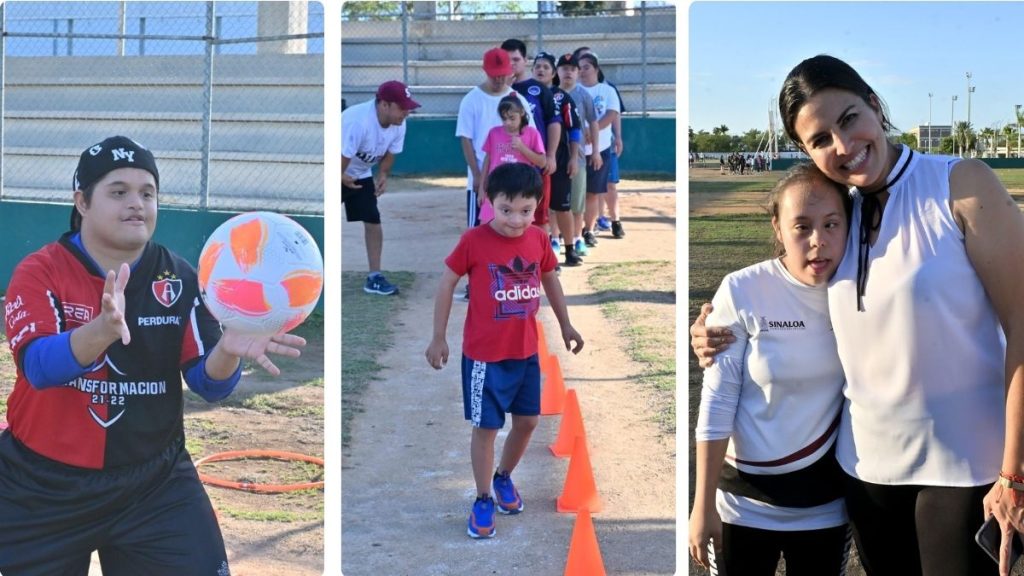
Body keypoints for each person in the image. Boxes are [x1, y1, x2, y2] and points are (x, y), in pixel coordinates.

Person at [691, 54, 1024, 576]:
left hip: (966, 469)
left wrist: (1014, 472)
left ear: (874, 104)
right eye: (819, 139)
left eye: (848, 119)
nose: (843, 146)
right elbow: (777, 291)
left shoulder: (961, 184)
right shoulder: (837, 214)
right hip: (865, 474)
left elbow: (1023, 322)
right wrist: (712, 328)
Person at [0, 136, 306, 575]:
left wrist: (229, 348)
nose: (136, 203)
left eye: (148, 192)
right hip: (40, 487)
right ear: (82, 202)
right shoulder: (41, 270)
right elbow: (39, 367)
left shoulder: (178, 276)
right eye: (118, 191)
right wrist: (100, 332)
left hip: (152, 486)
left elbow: (209, 384)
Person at [425, 162, 584, 539]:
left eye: (526, 211)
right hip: (485, 358)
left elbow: (549, 278)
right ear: (488, 202)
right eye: (506, 210)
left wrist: (565, 323)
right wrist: (438, 336)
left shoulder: (539, 240)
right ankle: (482, 498)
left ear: (538, 206)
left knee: (528, 422)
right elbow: (447, 283)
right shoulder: (474, 241)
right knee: (487, 428)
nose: (516, 220)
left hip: (525, 352)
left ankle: (503, 478)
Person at [343, 80, 421, 296]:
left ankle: (374, 277)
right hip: (334, 168)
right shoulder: (358, 121)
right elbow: (339, 156)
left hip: (360, 172)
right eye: (402, 107)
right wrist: (340, 176)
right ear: (384, 105)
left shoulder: (399, 123)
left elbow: (391, 152)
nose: (406, 112)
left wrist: (383, 174)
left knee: (373, 220)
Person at [456, 47, 534, 231]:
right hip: (485, 175)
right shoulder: (472, 100)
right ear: (485, 71)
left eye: (502, 75)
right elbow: (466, 139)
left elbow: (529, 135)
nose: (499, 79)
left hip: (513, 177)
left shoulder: (518, 100)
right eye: (494, 75)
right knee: (478, 230)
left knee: (511, 229)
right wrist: (476, 175)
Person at [532, 51, 584, 267]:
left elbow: (574, 129)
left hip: (560, 160)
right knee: (536, 208)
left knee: (562, 207)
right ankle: (539, 256)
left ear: (553, 73)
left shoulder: (561, 97)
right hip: (533, 160)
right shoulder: (525, 94)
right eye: (537, 66)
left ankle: (570, 250)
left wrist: (573, 158)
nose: (541, 70)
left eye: (546, 66)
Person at [502, 39, 560, 231]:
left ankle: (542, 259)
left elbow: (553, 122)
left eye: (516, 59)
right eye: (507, 60)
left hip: (535, 162)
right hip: (506, 163)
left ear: (525, 60)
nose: (512, 64)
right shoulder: (497, 91)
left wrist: (551, 155)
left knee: (539, 216)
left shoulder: (538, 89)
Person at [554, 52, 601, 260]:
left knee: (577, 201)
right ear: (558, 71)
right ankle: (554, 239)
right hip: (555, 155)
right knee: (554, 202)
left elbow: (593, 123)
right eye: (564, 69)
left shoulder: (583, 96)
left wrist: (596, 150)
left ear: (577, 72)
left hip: (578, 155)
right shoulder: (551, 94)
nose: (568, 73)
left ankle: (577, 238)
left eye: (573, 69)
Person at [478, 95, 547, 223]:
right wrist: (482, 188)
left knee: (516, 225)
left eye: (512, 118)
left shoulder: (532, 133)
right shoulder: (494, 133)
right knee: (487, 225)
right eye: (504, 119)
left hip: (521, 188)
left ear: (521, 113)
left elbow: (542, 162)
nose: (507, 123)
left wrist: (522, 148)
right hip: (496, 187)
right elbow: (487, 161)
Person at [577, 53, 620, 248]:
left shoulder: (607, 90)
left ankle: (589, 229)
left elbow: (611, 114)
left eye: (586, 67)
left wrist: (592, 130)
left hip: (599, 148)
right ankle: (574, 231)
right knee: (576, 193)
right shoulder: (574, 91)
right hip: (576, 148)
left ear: (596, 68)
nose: (582, 71)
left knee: (593, 193)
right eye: (579, 67)